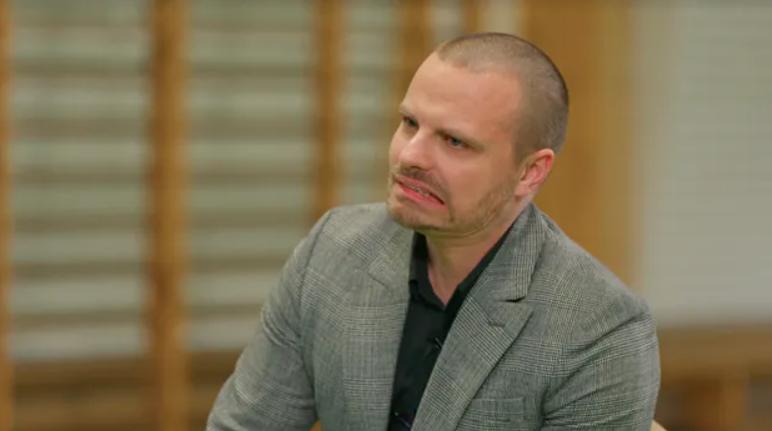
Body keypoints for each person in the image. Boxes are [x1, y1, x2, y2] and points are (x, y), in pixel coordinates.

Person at [207, 32, 660, 431]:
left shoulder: (598, 329)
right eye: (409, 124)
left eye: (454, 141)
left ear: (530, 172)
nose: (410, 156)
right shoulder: (333, 251)